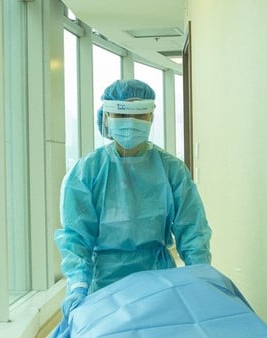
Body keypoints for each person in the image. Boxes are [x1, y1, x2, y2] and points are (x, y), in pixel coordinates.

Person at [56, 79, 212, 318]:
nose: (131, 124)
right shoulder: (87, 172)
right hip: (105, 286)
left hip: (157, 280)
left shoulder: (171, 170)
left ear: (151, 118)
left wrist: (200, 276)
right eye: (121, 116)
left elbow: (192, 230)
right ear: (107, 118)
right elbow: (76, 238)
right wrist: (78, 285)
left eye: (140, 116)